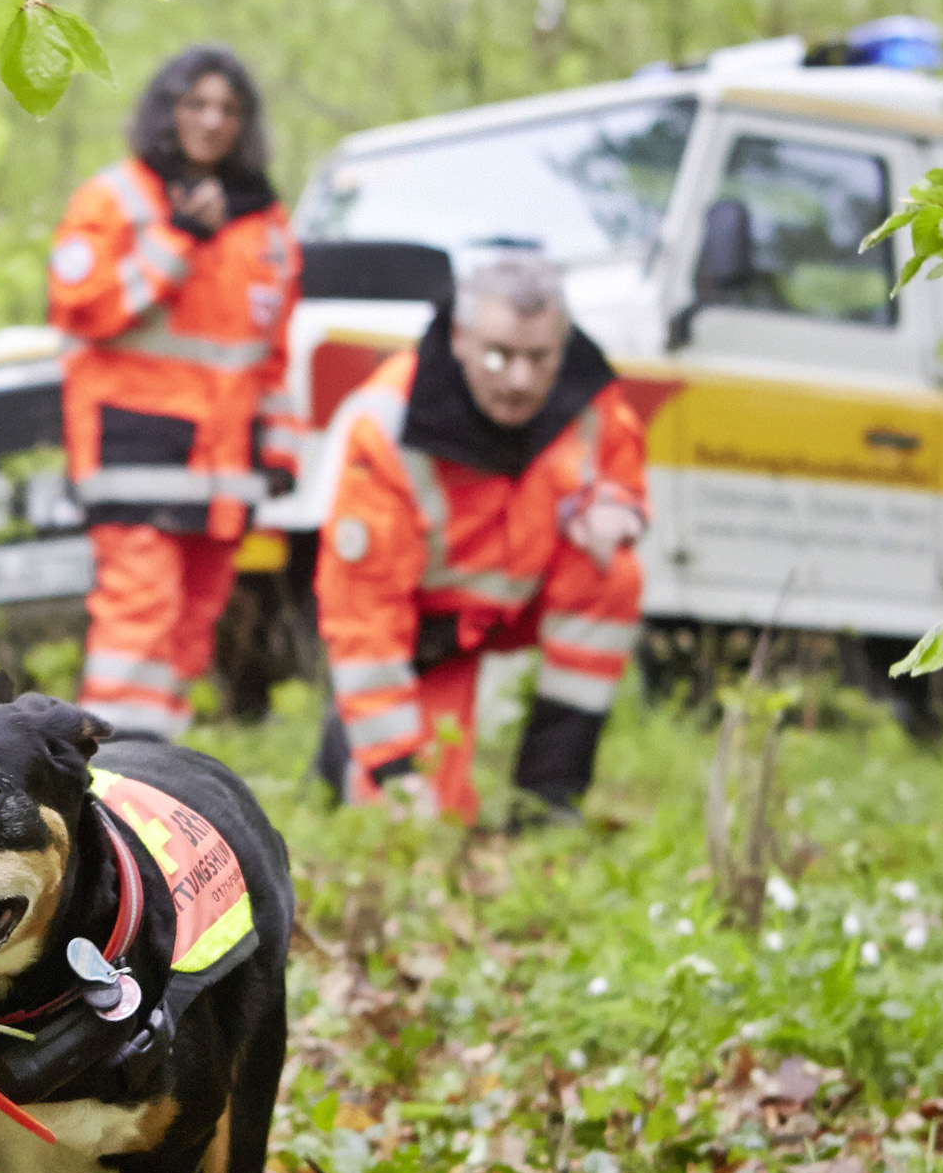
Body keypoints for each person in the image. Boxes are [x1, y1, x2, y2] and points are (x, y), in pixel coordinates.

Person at [314, 251, 647, 825]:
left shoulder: (587, 395)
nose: (520, 381)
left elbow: (621, 467)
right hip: (429, 636)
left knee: (612, 573)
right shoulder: (389, 426)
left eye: (539, 358)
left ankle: (550, 797)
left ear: (562, 346)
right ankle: (344, 750)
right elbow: (364, 617)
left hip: (516, 604)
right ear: (461, 339)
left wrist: (615, 509)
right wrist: (395, 769)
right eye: (499, 356)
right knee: (422, 817)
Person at [45, 46, 305, 739]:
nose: (213, 120)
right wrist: (176, 240)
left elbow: (272, 356)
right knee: (138, 618)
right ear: (167, 110)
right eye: (196, 104)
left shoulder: (268, 225)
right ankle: (111, 773)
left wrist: (280, 452)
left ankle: (157, 772)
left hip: (223, 469)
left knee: (191, 630)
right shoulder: (116, 198)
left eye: (228, 108)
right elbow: (84, 308)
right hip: (133, 447)